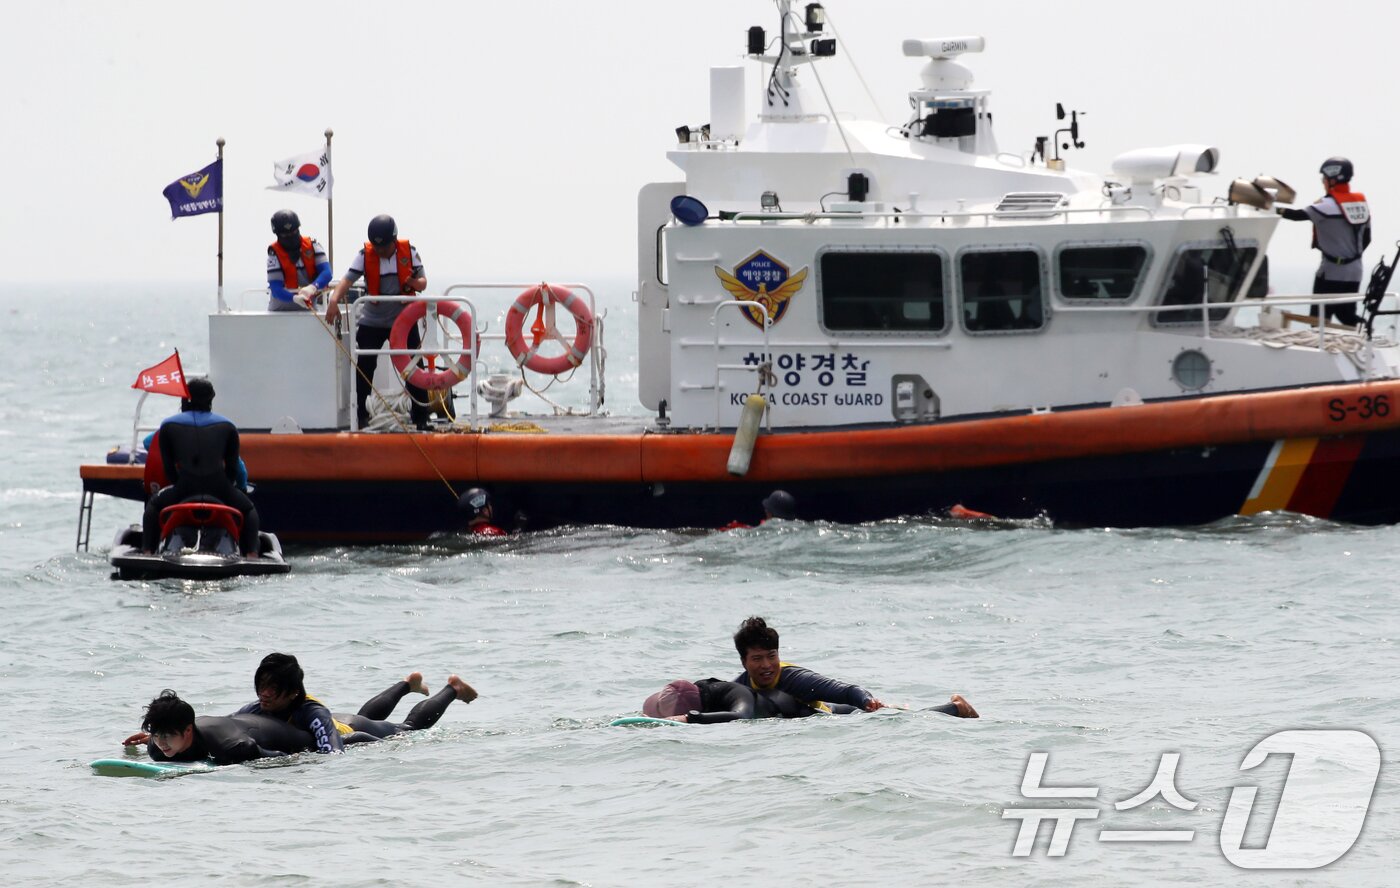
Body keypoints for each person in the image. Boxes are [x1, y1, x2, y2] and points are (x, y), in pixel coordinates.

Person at [731, 616, 979, 717]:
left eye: (771, 656)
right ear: (744, 661)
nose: (767, 665)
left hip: (837, 714)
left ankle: (956, 708)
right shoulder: (740, 685)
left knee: (893, 720)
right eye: (757, 659)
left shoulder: (794, 679)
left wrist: (866, 700)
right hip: (833, 709)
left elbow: (846, 690)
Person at [234, 652, 476, 747]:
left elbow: (332, 748)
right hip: (344, 719)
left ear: (293, 692)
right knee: (365, 714)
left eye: (272, 688)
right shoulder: (256, 708)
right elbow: (228, 727)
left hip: (353, 728)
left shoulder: (310, 712)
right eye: (261, 686)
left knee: (409, 728)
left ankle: (452, 689)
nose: (264, 693)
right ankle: (407, 685)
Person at [324, 214, 431, 430]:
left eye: (384, 247)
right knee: (365, 364)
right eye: (377, 247)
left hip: (403, 319)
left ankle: (421, 417)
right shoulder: (365, 255)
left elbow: (423, 283)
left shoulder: (409, 252)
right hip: (373, 319)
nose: (380, 251)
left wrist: (412, 282)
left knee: (413, 366)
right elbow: (347, 280)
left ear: (394, 240)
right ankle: (360, 416)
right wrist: (334, 300)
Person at [140, 377, 261, 557]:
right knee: (249, 510)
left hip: (184, 488)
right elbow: (233, 469)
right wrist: (230, 489)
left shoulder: (168, 425)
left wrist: (179, 485)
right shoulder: (228, 426)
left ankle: (148, 552)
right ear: (211, 399)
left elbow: (169, 469)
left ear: (186, 398)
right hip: (220, 489)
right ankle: (251, 554)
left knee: (153, 507)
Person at [1276, 156, 1373, 326]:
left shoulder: (1327, 206)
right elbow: (1367, 238)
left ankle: (1317, 348)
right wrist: (1349, 257)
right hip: (1355, 270)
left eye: (1324, 179)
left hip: (1331, 271)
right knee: (1347, 315)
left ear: (1333, 179)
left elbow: (1297, 215)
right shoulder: (1361, 203)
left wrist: (1271, 207)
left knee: (1319, 317)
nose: (1323, 182)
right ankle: (1365, 335)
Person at [126, 690, 316, 765]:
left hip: (271, 732)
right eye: (156, 736)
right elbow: (159, 737)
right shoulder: (156, 748)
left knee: (314, 743)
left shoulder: (232, 748)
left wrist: (304, 759)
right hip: (235, 723)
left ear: (188, 731)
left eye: (166, 736)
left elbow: (285, 758)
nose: (161, 743)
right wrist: (151, 738)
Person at [643, 677, 818, 724]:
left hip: (804, 713)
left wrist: (689, 718)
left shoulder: (733, 693)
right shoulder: (701, 695)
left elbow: (742, 716)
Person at [266, 209, 332, 312]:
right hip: (279, 312)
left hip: (309, 310)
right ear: (278, 235)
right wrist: (294, 298)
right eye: (285, 235)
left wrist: (313, 287)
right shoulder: (274, 254)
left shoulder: (313, 246)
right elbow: (275, 288)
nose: (291, 237)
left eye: (294, 232)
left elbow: (327, 273)